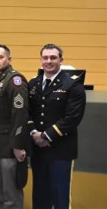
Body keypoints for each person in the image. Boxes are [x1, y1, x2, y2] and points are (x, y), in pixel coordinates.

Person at [28, 44, 86, 209]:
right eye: (45, 58)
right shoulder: (33, 84)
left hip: (61, 150)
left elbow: (72, 118)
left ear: (61, 60)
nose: (49, 61)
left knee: (60, 196)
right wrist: (34, 133)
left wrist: (45, 136)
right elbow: (27, 113)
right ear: (41, 60)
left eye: (53, 58)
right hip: (38, 150)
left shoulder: (73, 85)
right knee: (40, 195)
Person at [0, 45, 30, 209]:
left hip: (9, 146)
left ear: (9, 59)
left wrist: (18, 145)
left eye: (0, 57)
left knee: (11, 194)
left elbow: (20, 114)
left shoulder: (14, 80)